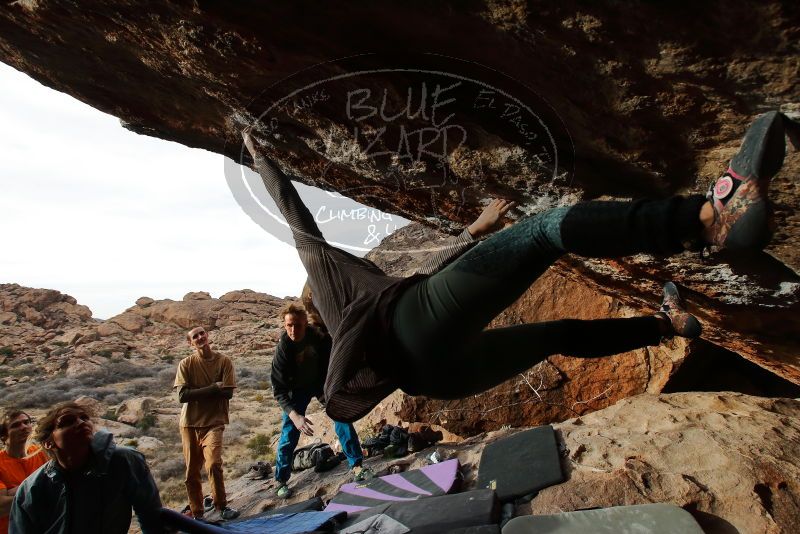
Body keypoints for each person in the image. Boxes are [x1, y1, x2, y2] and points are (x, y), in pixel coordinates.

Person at [241, 110, 795, 423]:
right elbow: (299, 223)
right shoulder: (328, 286)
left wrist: (473, 234)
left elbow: (421, 281)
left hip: (437, 379)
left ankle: (663, 326)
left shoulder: (349, 342)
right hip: (420, 320)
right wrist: (256, 152)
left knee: (553, 336)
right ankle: (706, 218)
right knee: (543, 232)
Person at [8, 402, 162, 534]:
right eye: (67, 422)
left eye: (84, 417)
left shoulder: (124, 462)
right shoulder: (31, 490)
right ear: (49, 443)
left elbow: (153, 518)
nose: (81, 422)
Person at [271, 302, 372, 499]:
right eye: (289, 325)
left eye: (298, 325)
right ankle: (281, 480)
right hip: (295, 390)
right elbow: (279, 390)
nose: (293, 330)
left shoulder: (318, 337)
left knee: (341, 416)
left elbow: (335, 358)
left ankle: (357, 466)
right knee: (290, 430)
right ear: (284, 325)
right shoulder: (282, 351)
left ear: (305, 323)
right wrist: (296, 416)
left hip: (320, 383)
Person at [174, 326, 239, 520]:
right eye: (195, 336)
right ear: (190, 343)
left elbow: (228, 392)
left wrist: (200, 392)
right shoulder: (186, 364)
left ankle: (222, 506)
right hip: (190, 424)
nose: (200, 337)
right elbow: (182, 396)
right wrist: (213, 387)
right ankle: (197, 513)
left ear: (207, 336)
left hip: (214, 422)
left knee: (213, 464)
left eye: (202, 333)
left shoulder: (224, 361)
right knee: (192, 472)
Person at [0, 410, 47, 534]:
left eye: (26, 422)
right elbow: (2, 507)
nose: (24, 427)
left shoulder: (41, 453)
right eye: (15, 425)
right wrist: (38, 487)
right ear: (4, 436)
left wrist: (14, 491)